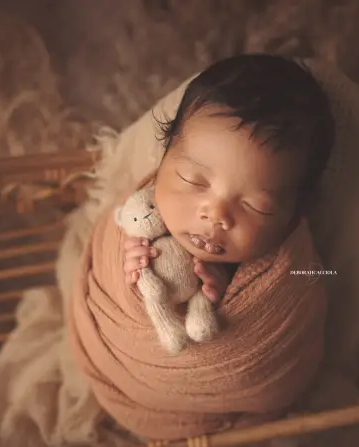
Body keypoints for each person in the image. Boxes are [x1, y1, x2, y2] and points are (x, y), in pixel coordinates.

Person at [121, 54, 335, 304]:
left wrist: (225, 299)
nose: (216, 215)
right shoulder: (140, 214)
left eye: (255, 206)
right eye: (193, 181)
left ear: (291, 218)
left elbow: (266, 318)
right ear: (164, 157)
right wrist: (132, 265)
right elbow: (106, 260)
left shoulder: (288, 273)